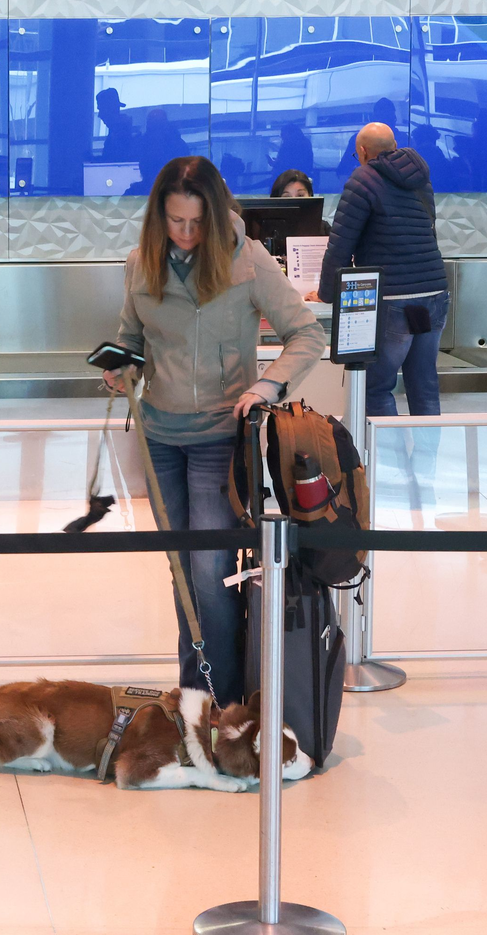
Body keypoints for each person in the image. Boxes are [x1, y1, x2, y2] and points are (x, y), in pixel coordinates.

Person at [106, 156, 325, 705]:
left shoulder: (247, 259)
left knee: (209, 573)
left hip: (218, 440)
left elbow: (306, 333)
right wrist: (123, 367)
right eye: (175, 222)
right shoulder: (142, 262)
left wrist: (266, 387)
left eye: (196, 223)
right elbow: (133, 337)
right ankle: (194, 698)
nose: (185, 234)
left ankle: (224, 703)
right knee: (181, 572)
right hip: (158, 434)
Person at [316, 123, 450, 416]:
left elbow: (341, 244)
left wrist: (326, 294)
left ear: (362, 151)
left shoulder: (363, 178)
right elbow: (429, 231)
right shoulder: (421, 178)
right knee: (423, 383)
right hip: (435, 290)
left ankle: (388, 462)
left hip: (392, 296)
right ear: (394, 145)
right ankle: (426, 463)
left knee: (376, 387)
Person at [96, 88, 140, 163]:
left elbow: (116, 160)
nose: (99, 115)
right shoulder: (115, 131)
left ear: (111, 109)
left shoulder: (121, 134)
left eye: (101, 109)